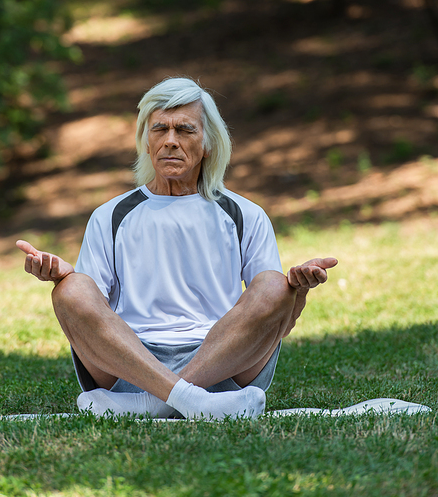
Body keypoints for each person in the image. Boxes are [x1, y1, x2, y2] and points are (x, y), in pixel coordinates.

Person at [17, 77, 337, 420]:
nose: (170, 141)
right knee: (71, 290)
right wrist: (62, 278)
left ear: (208, 144)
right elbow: (90, 315)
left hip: (221, 365)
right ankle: (193, 403)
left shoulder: (245, 214)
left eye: (185, 130)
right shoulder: (109, 216)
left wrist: (296, 293)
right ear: (146, 142)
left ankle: (154, 403)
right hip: (132, 366)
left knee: (275, 284)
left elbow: (274, 324)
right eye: (159, 130)